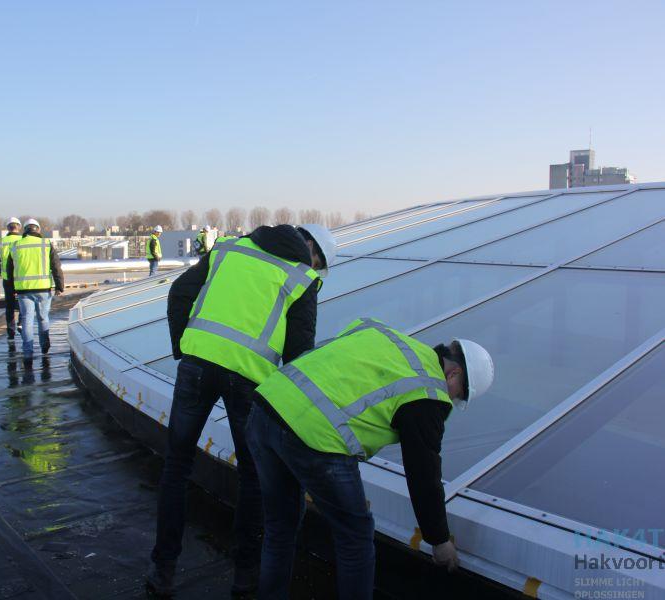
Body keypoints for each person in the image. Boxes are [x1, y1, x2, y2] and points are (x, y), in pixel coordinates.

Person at [146, 223, 338, 596]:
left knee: (176, 466)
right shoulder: (302, 278)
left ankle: (162, 569)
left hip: (196, 365)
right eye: (317, 260)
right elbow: (299, 355)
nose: (313, 266)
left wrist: (184, 347)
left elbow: (179, 292)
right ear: (310, 247)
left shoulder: (229, 249)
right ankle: (245, 574)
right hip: (247, 381)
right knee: (252, 476)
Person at [246, 318, 495, 600]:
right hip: (314, 436)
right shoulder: (429, 392)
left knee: (281, 525)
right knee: (356, 538)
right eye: (458, 394)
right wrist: (438, 540)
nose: (451, 400)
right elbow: (423, 474)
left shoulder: (383, 335)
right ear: (453, 374)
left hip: (266, 406)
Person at [6, 218, 64, 369]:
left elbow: (9, 270)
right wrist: (59, 286)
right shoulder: (46, 244)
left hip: (24, 290)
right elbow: (56, 266)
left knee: (27, 320)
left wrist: (11, 290)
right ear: (38, 229)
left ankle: (27, 353)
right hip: (43, 289)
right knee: (43, 318)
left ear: (24, 230)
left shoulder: (16, 246)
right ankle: (45, 346)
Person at [0, 217, 23, 346]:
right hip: (21, 278)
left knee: (9, 306)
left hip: (7, 279)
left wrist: (1, 272)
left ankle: (11, 331)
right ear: (19, 227)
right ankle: (21, 324)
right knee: (23, 303)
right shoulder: (22, 241)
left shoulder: (0, 242)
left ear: (7, 228)